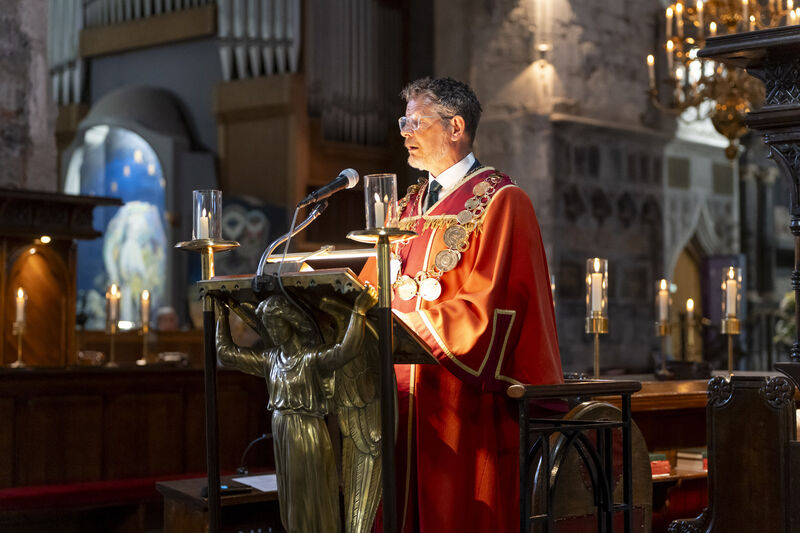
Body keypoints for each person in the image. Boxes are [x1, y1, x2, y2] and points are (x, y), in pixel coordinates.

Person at [361, 77, 563, 533]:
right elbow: (373, 288)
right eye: (403, 121)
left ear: (455, 127)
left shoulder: (501, 201)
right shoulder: (405, 207)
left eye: (416, 121)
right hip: (395, 398)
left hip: (459, 399)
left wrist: (406, 322)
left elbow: (489, 307)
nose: (405, 132)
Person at [216, 285, 378, 533]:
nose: (272, 331)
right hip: (281, 427)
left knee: (310, 491)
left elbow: (347, 351)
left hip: (307, 431)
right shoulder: (271, 360)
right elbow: (226, 354)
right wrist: (221, 315)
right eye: (268, 326)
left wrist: (358, 311)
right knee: (290, 495)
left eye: (277, 324)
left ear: (291, 322)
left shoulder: (311, 359)